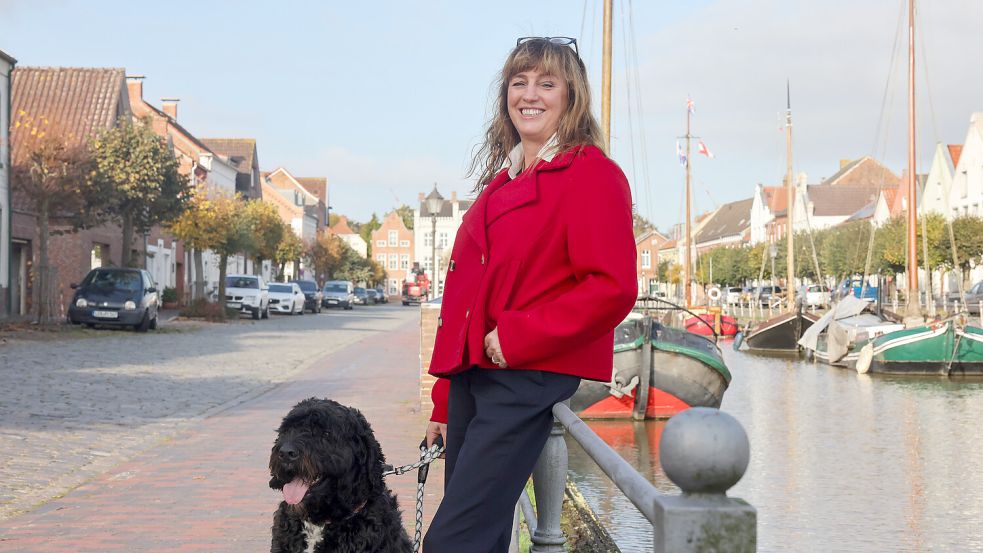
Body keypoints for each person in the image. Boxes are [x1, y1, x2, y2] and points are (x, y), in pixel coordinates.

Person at [422, 36, 637, 553]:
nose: (529, 94)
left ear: (572, 96)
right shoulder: (502, 181)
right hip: (478, 379)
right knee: (484, 535)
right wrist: (443, 401)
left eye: (546, 82)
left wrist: (518, 337)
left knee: (453, 541)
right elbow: (469, 298)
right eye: (518, 82)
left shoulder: (591, 174)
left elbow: (613, 287)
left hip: (526, 373)